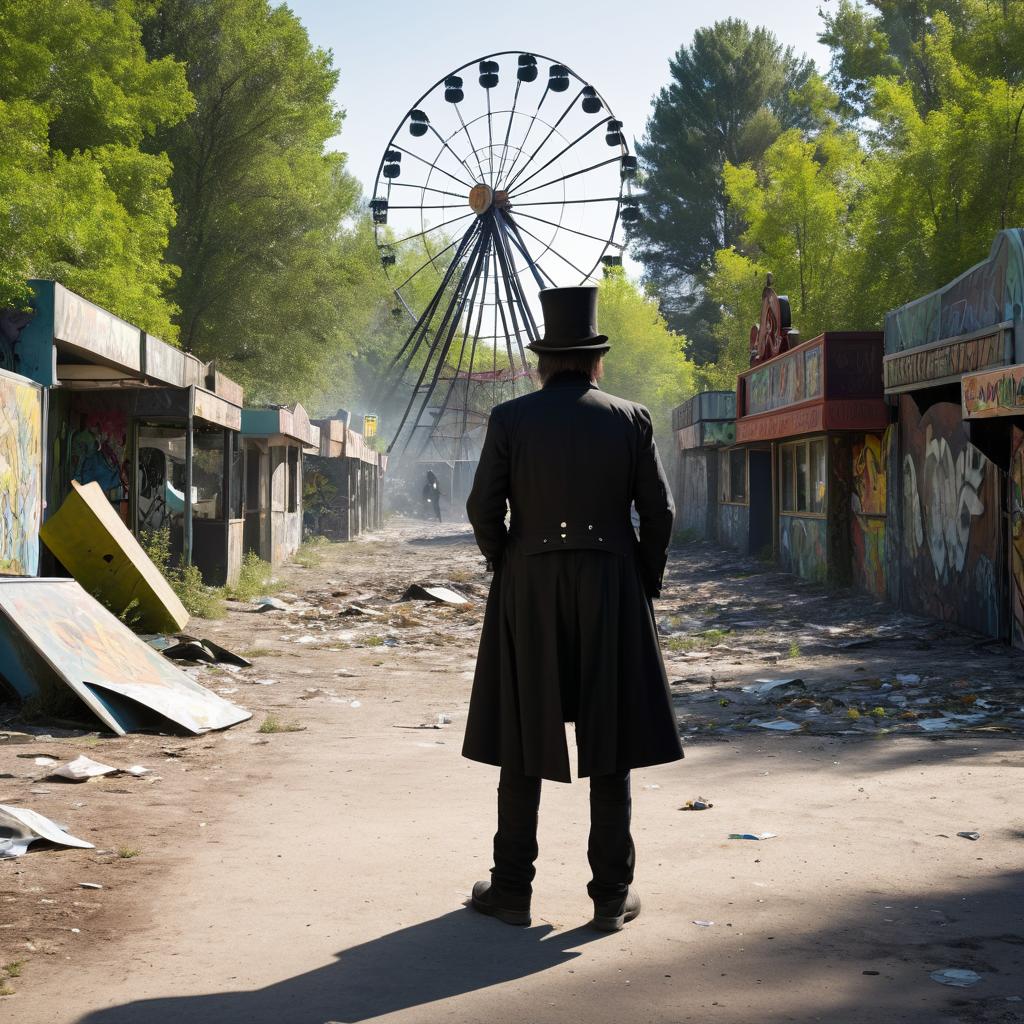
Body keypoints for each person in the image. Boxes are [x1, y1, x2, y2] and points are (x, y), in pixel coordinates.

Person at [463, 285, 682, 933]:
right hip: (611, 587)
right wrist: (643, 578)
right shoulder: (632, 418)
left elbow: (482, 508)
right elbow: (661, 513)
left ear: (543, 363)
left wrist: (509, 562)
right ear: (596, 362)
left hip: (529, 590)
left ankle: (511, 892)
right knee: (610, 740)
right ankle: (611, 896)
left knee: (523, 737)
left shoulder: (511, 419)